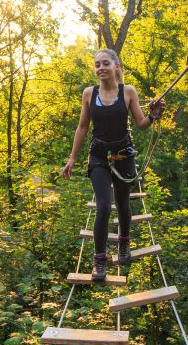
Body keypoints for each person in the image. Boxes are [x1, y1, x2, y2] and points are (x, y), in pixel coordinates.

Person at [62, 49, 166, 281]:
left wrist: (154, 115)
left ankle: (123, 243)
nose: (100, 68)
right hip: (99, 155)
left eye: (105, 63)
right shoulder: (89, 93)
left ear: (116, 65)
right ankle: (100, 261)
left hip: (123, 154)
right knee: (103, 206)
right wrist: (72, 158)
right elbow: (82, 127)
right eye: (97, 64)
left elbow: (141, 124)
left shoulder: (128, 92)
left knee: (122, 205)